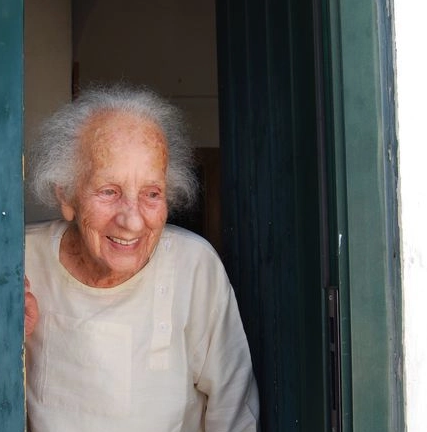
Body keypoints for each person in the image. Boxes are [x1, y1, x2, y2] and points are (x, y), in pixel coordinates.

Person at [22, 83, 259, 432]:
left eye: (151, 193)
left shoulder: (193, 266)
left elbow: (233, 409)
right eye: (109, 191)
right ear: (67, 196)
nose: (132, 220)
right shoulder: (18, 261)